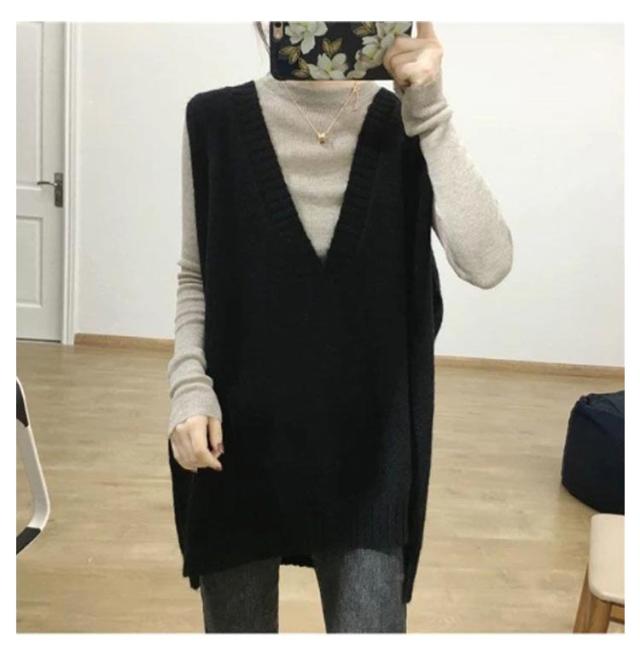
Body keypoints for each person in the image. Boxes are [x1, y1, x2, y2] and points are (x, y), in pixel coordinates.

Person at [166, 21, 513, 633]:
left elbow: (488, 262)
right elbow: (197, 275)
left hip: (369, 457)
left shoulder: (409, 124)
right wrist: (188, 389)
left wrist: (430, 112)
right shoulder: (213, 121)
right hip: (235, 444)